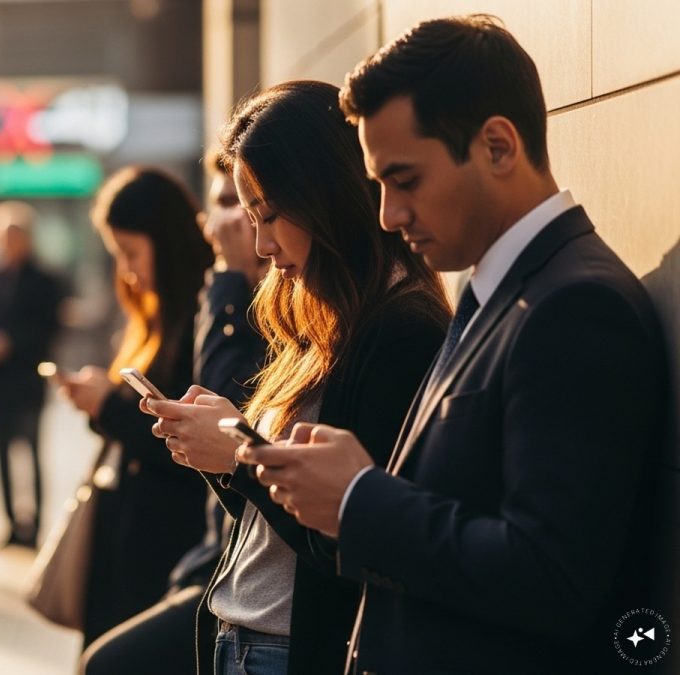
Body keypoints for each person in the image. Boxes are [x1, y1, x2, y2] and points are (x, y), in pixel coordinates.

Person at [237, 16, 667, 674]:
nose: (387, 214)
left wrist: (359, 498)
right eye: (378, 184)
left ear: (498, 146)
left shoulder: (578, 305)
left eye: (404, 180)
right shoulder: (500, 286)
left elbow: (551, 576)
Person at [141, 81, 450, 675]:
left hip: (290, 649)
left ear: (325, 193)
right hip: (247, 636)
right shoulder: (324, 316)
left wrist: (239, 455)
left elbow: (353, 534)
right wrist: (226, 452)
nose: (261, 244)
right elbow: (273, 525)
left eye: (269, 216)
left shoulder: (399, 328)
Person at [79, 149, 268, 674]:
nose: (225, 225)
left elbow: (216, 408)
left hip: (184, 546)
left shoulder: (224, 301)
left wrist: (109, 408)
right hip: (155, 544)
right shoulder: (185, 305)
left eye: (249, 207)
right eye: (221, 206)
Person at [55, 166, 213, 648]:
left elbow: (186, 441)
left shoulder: (201, 319)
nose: (127, 270)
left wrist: (109, 406)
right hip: (128, 536)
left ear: (165, 242)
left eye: (131, 253)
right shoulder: (152, 313)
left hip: (162, 546)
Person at [0, 201, 64, 548]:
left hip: (26, 380)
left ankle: (35, 525)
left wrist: (12, 342)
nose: (7, 244)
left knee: (31, 453)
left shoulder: (43, 280)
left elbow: (48, 326)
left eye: (14, 236)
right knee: (0, 456)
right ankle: (11, 523)